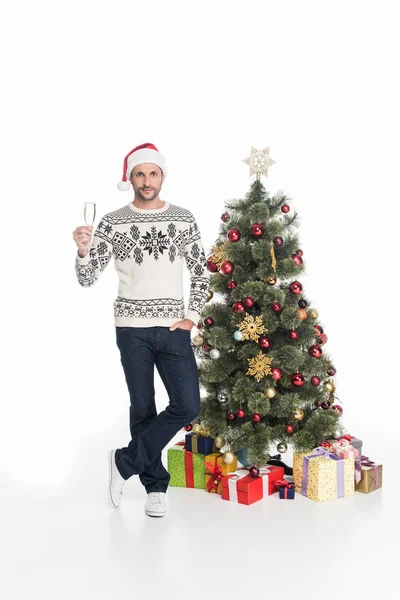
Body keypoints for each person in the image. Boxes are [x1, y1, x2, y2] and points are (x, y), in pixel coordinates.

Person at [72, 143, 210, 517]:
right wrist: (84, 250)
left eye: (152, 174)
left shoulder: (183, 218)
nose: (146, 181)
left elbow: (201, 270)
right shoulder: (114, 222)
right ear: (129, 178)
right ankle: (155, 487)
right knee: (143, 407)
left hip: (172, 328)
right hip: (130, 328)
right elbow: (87, 279)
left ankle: (124, 462)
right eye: (139, 174)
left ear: (162, 176)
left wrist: (192, 316)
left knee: (187, 404)